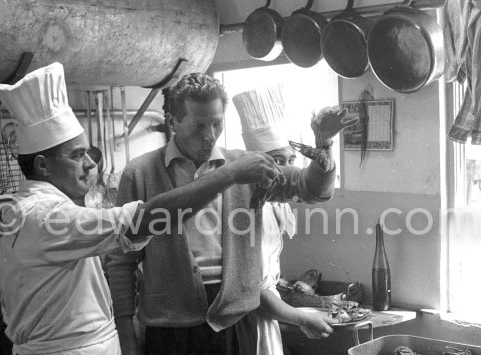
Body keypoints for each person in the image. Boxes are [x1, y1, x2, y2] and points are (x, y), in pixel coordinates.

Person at [0, 63, 281, 355]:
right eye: (77, 155)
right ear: (42, 165)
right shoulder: (47, 217)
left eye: (88, 153)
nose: (91, 164)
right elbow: (141, 223)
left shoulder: (20, 211)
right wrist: (228, 175)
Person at [106, 72, 358, 355]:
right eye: (198, 125)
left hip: (237, 320)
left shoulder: (246, 166)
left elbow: (312, 188)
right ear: (173, 121)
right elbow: (121, 261)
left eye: (216, 123)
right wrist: (126, 333)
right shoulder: (140, 173)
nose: (209, 135)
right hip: (170, 327)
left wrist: (323, 146)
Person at [232, 85, 346, 355]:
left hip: (267, 317)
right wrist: (298, 317)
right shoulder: (240, 207)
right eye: (276, 161)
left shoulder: (274, 203)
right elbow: (252, 289)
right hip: (242, 323)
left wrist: (324, 145)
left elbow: (317, 190)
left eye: (291, 160)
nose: (285, 170)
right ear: (254, 162)